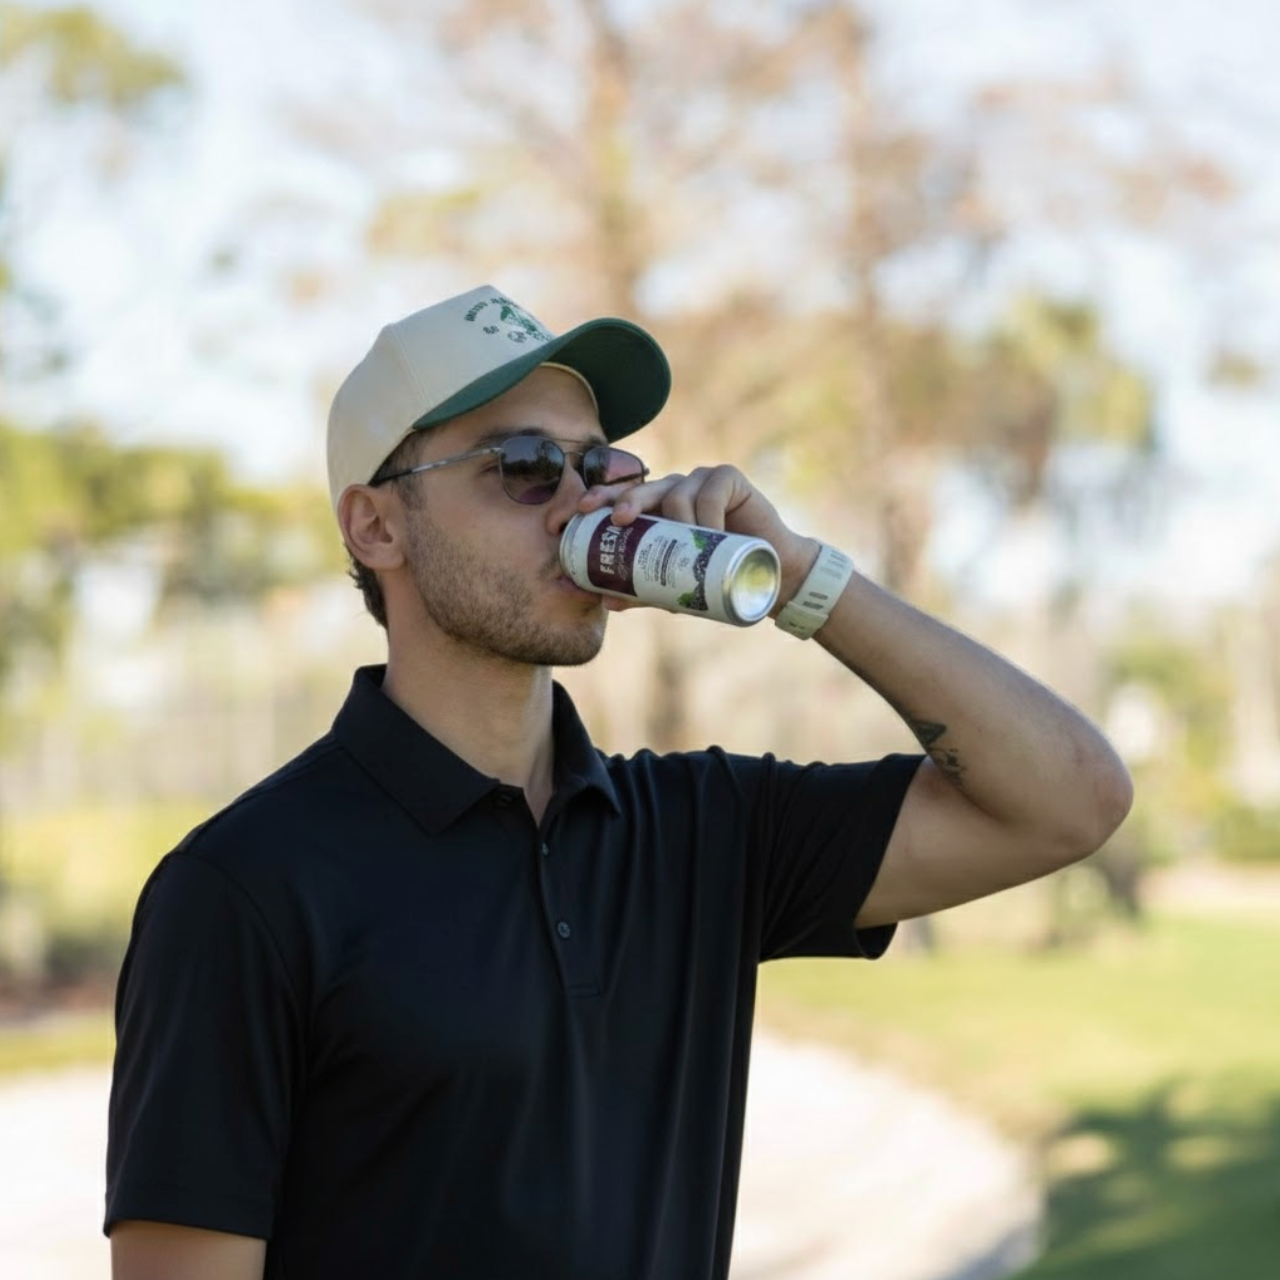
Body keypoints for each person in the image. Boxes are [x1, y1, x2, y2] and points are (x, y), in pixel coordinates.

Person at [105, 284, 1132, 1280]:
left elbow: (1071, 800)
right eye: (523, 466)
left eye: (597, 464)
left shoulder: (703, 829)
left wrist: (800, 577)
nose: (580, 502)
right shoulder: (244, 887)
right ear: (377, 526)